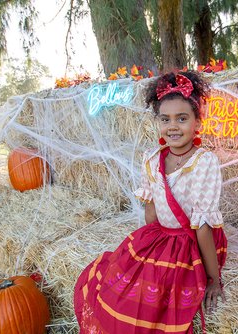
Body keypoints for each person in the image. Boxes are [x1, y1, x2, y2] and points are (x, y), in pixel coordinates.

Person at [73, 71, 228, 334]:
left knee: (157, 300)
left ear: (197, 122)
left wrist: (213, 278)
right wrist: (149, 250)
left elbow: (202, 228)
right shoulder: (151, 157)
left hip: (191, 241)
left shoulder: (204, 163)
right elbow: (152, 212)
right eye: (165, 119)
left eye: (182, 118)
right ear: (157, 122)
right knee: (125, 291)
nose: (173, 126)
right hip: (161, 236)